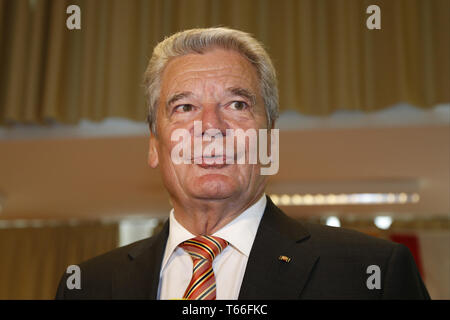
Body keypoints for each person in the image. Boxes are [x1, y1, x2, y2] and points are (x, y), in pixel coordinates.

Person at [55, 27, 429, 300]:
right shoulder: (89, 287)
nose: (211, 127)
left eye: (237, 105)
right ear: (155, 145)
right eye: (184, 108)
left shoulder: (371, 273)